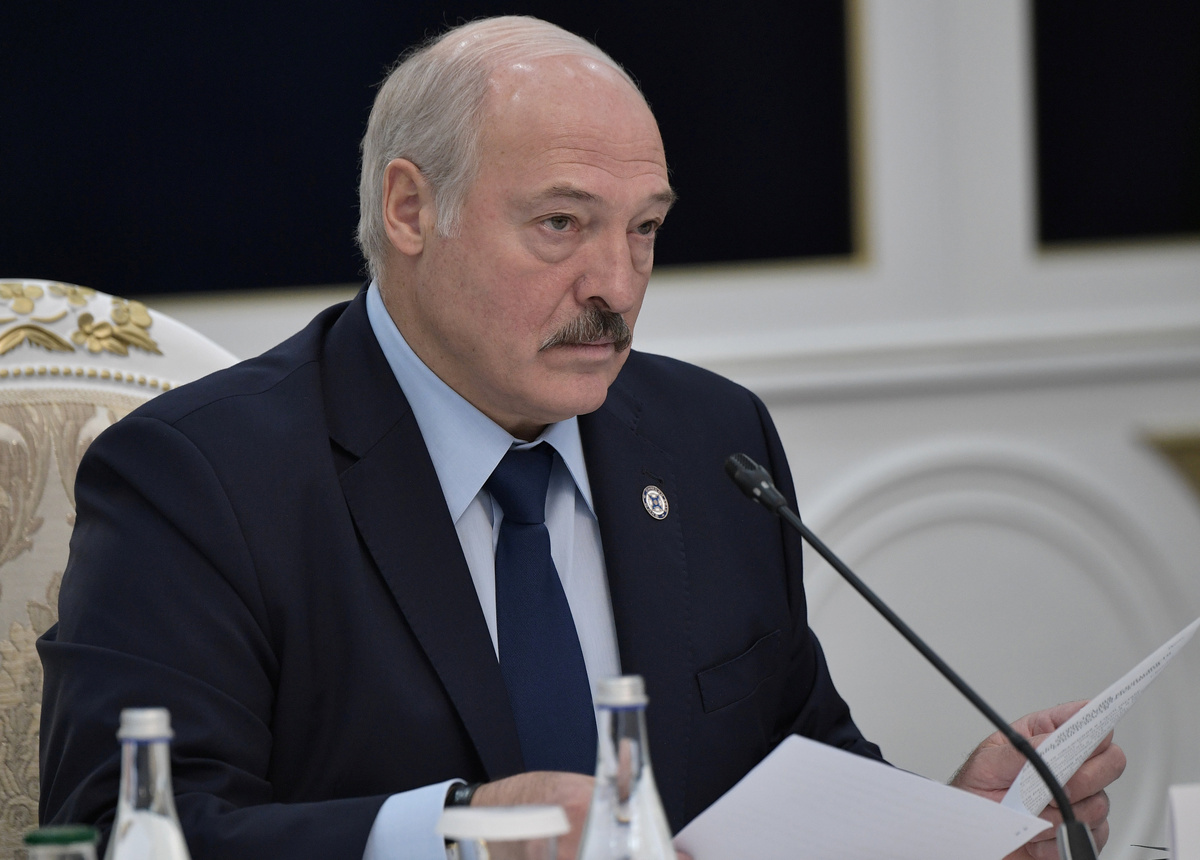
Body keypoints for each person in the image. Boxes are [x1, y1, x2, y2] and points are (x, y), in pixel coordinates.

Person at [38, 15, 1124, 860]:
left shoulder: (711, 439)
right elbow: (118, 830)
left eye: (643, 229)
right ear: (410, 210)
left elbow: (796, 765)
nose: (616, 286)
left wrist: (950, 822)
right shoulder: (203, 476)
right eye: (561, 224)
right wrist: (457, 832)